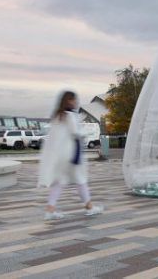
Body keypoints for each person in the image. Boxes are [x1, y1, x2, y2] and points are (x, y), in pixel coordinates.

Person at [38, 90, 104, 220]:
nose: (76, 102)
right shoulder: (69, 116)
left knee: (59, 181)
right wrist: (87, 133)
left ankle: (50, 210)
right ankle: (90, 207)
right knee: (81, 180)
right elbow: (75, 133)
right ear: (68, 101)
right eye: (74, 100)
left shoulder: (58, 116)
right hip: (72, 155)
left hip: (60, 156)